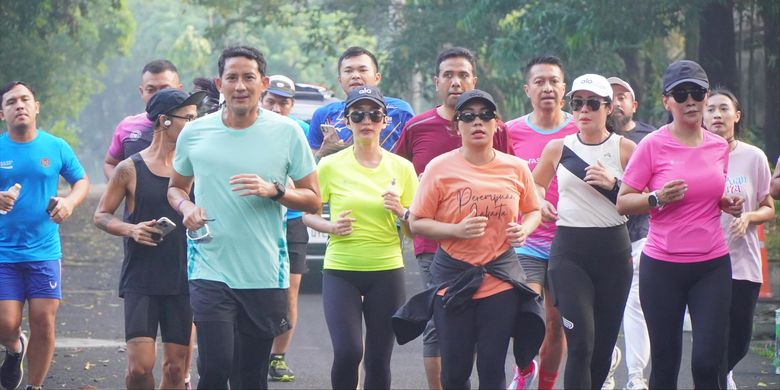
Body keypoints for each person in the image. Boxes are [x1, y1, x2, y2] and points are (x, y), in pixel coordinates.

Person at [167, 46, 320, 389]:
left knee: (250, 376)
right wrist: (186, 208)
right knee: (216, 366)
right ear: (220, 83)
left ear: (262, 83)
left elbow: (313, 200)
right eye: (232, 78)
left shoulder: (287, 132)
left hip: (264, 272)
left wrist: (275, 191)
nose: (240, 85)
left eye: (248, 77)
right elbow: (175, 189)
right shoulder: (195, 132)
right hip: (210, 267)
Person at [616, 60, 744, 389]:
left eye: (697, 93)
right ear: (666, 101)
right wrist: (656, 198)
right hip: (662, 268)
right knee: (666, 363)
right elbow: (624, 201)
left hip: (711, 266)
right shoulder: (652, 145)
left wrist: (724, 204)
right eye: (681, 94)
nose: (690, 100)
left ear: (705, 96)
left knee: (707, 362)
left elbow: (708, 192)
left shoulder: (718, 146)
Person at [407, 89, 543, 389]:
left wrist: (525, 229)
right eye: (468, 117)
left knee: (492, 368)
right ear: (458, 127)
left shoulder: (515, 167)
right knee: (455, 371)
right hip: (453, 280)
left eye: (485, 115)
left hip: (499, 280)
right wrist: (455, 230)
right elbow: (416, 222)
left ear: (496, 124)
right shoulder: (439, 168)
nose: (477, 122)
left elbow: (533, 210)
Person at [394, 46, 512, 390]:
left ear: (474, 80)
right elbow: (396, 173)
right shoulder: (418, 127)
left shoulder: (495, 127)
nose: (456, 81)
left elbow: (512, 178)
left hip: (490, 249)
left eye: (463, 74)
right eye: (448, 75)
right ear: (436, 82)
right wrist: (406, 212)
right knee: (440, 327)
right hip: (434, 244)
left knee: (479, 328)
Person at [303, 86, 417, 389]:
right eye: (358, 114)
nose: (366, 120)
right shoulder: (330, 165)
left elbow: (415, 228)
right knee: (348, 350)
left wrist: (402, 211)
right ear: (347, 120)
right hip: (342, 269)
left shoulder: (402, 168)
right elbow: (306, 213)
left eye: (374, 114)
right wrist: (330, 226)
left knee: (379, 358)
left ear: (385, 120)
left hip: (386, 270)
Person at [93, 88, 205, 389]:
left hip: (184, 277)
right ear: (165, 121)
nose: (194, 126)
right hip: (141, 277)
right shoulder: (129, 168)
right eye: (189, 119)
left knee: (175, 368)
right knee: (140, 368)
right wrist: (131, 229)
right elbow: (101, 215)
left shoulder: (196, 168)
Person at [533, 74, 635, 389]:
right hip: (569, 253)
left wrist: (614, 185)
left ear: (608, 108)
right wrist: (540, 204)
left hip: (614, 254)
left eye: (592, 103)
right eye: (578, 103)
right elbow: (534, 184)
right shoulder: (558, 148)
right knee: (581, 343)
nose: (584, 110)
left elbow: (644, 201)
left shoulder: (626, 149)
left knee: (603, 348)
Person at [0, 81, 89, 390]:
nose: (19, 105)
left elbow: (81, 181)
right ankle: (13, 348)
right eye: (11, 102)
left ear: (36, 107)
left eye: (25, 99)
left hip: (44, 250)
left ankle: (35, 387)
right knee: (6, 324)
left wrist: (69, 202)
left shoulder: (56, 146)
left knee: (43, 321)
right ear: (3, 113)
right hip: (4, 253)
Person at [505, 55, 577, 390]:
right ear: (527, 89)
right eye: (539, 82)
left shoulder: (580, 129)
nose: (547, 88)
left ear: (564, 88)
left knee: (555, 323)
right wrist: (534, 202)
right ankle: (524, 368)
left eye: (553, 81)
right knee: (527, 314)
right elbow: (501, 180)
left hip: (571, 244)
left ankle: (546, 385)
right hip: (528, 242)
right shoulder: (510, 132)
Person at [703, 88, 775, 389]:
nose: (717, 114)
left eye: (723, 108)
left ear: (737, 115)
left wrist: (748, 217)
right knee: (712, 340)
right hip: (704, 262)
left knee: (740, 340)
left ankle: (723, 374)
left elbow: (768, 207)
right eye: (710, 109)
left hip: (743, 262)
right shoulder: (694, 155)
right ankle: (718, 380)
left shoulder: (753, 156)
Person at [601, 76, 656, 390]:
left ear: (634, 105)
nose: (617, 102)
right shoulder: (588, 136)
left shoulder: (650, 138)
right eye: (611, 97)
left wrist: (616, 185)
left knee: (635, 305)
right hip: (600, 237)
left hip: (640, 236)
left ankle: (636, 377)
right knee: (603, 308)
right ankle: (606, 368)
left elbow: (656, 191)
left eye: (624, 96)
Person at [260, 74, 310, 382]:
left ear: (292, 105)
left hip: (292, 221)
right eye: (272, 101)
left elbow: (314, 172)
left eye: (284, 102)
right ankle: (250, 351)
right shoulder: (249, 128)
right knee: (256, 287)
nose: (277, 108)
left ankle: (277, 357)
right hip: (257, 220)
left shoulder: (301, 131)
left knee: (290, 291)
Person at [307, 46, 414, 158]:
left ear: (377, 77)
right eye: (348, 71)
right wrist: (322, 153)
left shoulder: (401, 111)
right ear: (340, 80)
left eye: (362, 70)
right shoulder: (323, 114)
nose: (355, 76)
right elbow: (310, 166)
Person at [103, 59, 183, 179]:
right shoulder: (127, 127)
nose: (158, 96)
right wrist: (121, 186)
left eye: (165, 89)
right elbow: (110, 164)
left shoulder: (191, 127)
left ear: (179, 89)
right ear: (142, 92)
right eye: (151, 90)